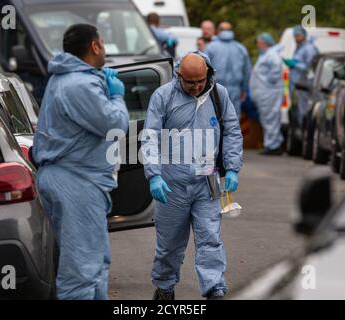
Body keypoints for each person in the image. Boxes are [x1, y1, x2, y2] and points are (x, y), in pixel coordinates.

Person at [32, 24, 129, 300]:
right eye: (103, 43)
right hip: (75, 182)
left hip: (76, 180)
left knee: (96, 263)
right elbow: (115, 125)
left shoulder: (70, 79)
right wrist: (117, 95)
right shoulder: (79, 84)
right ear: (95, 46)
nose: (105, 49)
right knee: (81, 271)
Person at [142, 52, 243, 300]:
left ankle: (214, 289)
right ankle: (165, 286)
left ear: (208, 73)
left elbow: (231, 131)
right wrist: (154, 174)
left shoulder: (219, 95)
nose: (197, 87)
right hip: (172, 184)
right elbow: (150, 136)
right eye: (190, 82)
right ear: (179, 76)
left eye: (201, 80)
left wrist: (232, 168)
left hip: (206, 182)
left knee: (210, 238)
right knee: (169, 245)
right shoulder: (163, 97)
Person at [205, 22, 252, 116]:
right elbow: (247, 71)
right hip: (236, 89)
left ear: (218, 31)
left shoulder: (211, 47)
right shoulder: (240, 48)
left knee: (216, 118)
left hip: (216, 89)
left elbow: (205, 68)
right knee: (233, 119)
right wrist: (244, 89)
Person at [250, 33, 284, 156]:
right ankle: (271, 144)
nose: (258, 45)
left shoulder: (272, 55)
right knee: (268, 119)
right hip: (265, 93)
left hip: (269, 92)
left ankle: (273, 146)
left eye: (259, 42)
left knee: (271, 119)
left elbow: (276, 70)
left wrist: (268, 83)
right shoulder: (265, 55)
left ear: (265, 43)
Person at [283, 25, 319, 126]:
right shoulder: (300, 48)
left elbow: (311, 67)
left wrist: (295, 64)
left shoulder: (309, 48)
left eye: (298, 36)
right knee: (297, 111)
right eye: (295, 36)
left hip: (305, 85)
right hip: (298, 86)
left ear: (303, 35)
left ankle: (305, 131)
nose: (296, 38)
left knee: (304, 111)